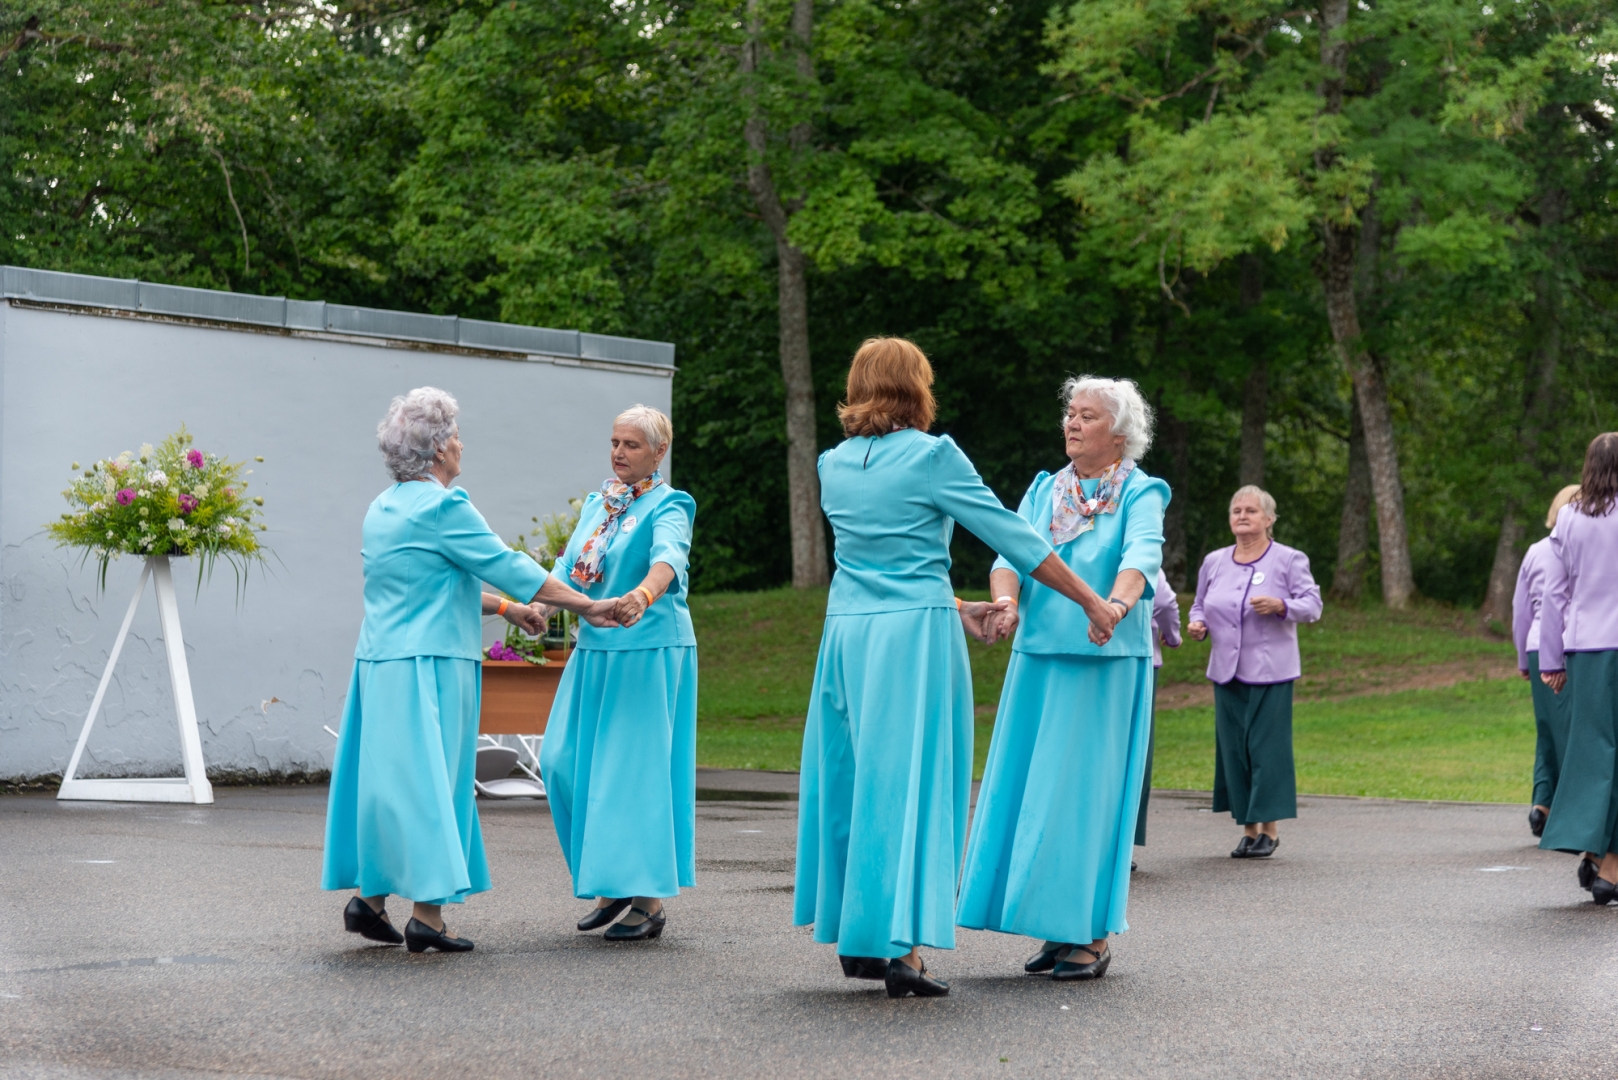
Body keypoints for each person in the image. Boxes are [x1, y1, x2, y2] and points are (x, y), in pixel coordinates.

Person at [794, 338, 1118, 1000]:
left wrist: (960, 606)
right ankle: (902, 948)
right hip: (912, 640)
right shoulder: (932, 455)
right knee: (910, 781)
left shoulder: (832, 463)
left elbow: (874, 561)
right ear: (916, 388)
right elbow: (1012, 535)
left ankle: (861, 935)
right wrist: (1089, 598)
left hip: (849, 634)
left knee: (855, 778)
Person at [323, 387, 618, 953]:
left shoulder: (383, 508)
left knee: (391, 784)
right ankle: (428, 916)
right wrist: (586, 605)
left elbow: (431, 583)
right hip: (432, 665)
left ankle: (370, 898)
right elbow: (508, 564)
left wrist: (506, 610)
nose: (461, 444)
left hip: (380, 663)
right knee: (437, 784)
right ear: (437, 450)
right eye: (455, 436)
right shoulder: (444, 507)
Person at [957, 376, 1168, 982]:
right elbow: (1009, 555)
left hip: (1105, 663)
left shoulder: (1142, 491)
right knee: (1035, 793)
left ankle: (1091, 936)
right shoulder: (1046, 488)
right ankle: (1057, 927)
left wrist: (1116, 608)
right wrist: (1007, 604)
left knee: (1085, 798)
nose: (1072, 423)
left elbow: (1141, 558)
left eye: (1088, 415)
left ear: (1120, 434)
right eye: (1070, 413)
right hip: (1038, 658)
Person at [540, 405, 698, 941]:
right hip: (595, 648)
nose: (619, 453)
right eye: (614, 442)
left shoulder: (670, 503)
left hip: (648, 651)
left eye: (631, 444)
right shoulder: (599, 502)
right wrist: (540, 604)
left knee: (633, 776)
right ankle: (612, 882)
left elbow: (669, 559)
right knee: (561, 761)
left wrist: (643, 595)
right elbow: (568, 567)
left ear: (659, 451)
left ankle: (646, 902)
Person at [1187, 486, 1323, 859]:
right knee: (1235, 751)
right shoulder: (1214, 561)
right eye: (1237, 511)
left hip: (1270, 671)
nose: (1242, 516)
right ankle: (1248, 831)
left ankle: (1270, 830)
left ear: (1269, 519)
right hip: (1225, 672)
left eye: (1251, 510)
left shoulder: (1288, 559)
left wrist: (1281, 605)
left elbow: (1313, 606)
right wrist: (1198, 624)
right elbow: (1199, 604)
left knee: (1267, 750)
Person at [1536, 433, 1618, 904]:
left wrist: (1551, 658)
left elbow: (1554, 593)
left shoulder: (1568, 517)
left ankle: (1592, 850)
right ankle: (1610, 864)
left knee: (1593, 752)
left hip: (1585, 648)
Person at [1513, 484, 1581, 838]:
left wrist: (1524, 658)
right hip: (1572, 644)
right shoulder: (1579, 549)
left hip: (1537, 644)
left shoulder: (1534, 551)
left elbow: (1521, 611)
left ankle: (1542, 804)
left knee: (1547, 730)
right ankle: (1570, 810)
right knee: (1572, 730)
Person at [1138, 567, 1183, 851]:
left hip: (1079, 654)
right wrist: (1172, 634)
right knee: (1135, 748)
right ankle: (1122, 844)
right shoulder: (1138, 549)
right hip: (1137, 654)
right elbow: (1164, 601)